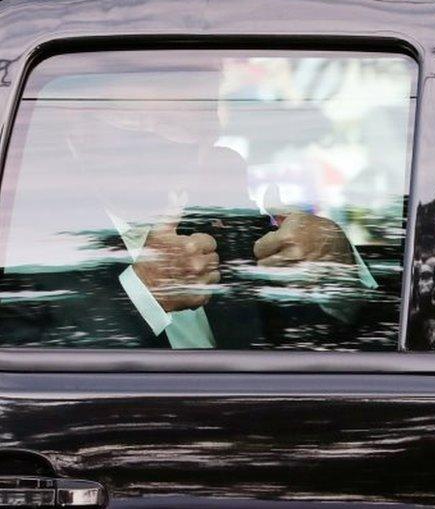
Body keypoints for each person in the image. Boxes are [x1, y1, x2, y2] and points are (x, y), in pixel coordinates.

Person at [0, 54, 376, 349]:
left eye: (207, 133)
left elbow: (325, 345)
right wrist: (143, 295)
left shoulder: (218, 203)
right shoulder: (22, 227)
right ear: (77, 126)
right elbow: (23, 373)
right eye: (165, 135)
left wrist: (335, 265)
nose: (201, 159)